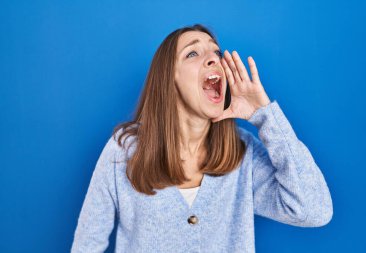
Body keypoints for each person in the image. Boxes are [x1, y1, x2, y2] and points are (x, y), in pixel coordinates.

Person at [71, 24, 333, 253]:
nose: (213, 59)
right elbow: (87, 245)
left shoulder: (243, 153)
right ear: (168, 80)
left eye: (216, 53)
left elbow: (313, 210)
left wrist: (264, 116)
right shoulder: (124, 150)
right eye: (193, 53)